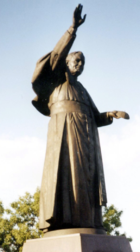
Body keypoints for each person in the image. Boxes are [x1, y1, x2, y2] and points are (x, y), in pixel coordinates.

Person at [31, 4, 129, 233]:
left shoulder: (83, 90)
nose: (80, 65)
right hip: (62, 135)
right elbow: (56, 56)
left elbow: (95, 116)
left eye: (83, 63)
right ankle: (62, 223)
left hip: (86, 141)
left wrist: (111, 114)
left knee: (85, 179)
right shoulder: (56, 80)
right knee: (64, 177)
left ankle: (86, 222)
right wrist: (72, 29)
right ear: (67, 62)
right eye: (76, 61)